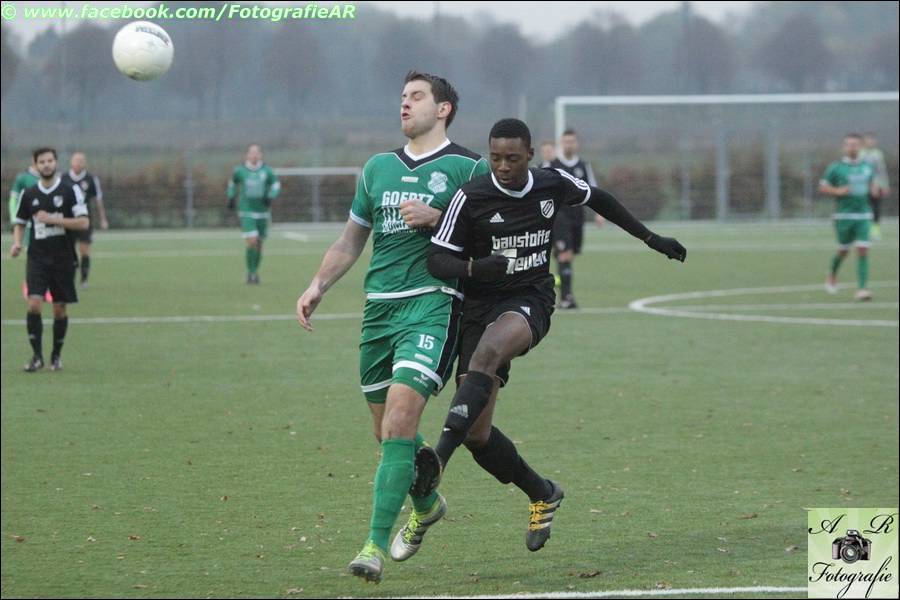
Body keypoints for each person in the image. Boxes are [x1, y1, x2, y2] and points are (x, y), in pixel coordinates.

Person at [423, 118, 686, 552]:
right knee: (477, 435)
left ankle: (437, 460)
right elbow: (437, 259)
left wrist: (650, 238)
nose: (502, 166)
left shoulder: (550, 183)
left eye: (512, 158)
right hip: (479, 309)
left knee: (488, 353)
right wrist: (474, 268)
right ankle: (542, 493)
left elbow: (598, 198)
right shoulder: (470, 197)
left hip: (530, 300)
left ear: (529, 155)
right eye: (495, 158)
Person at [295, 71, 489, 583]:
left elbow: (492, 235)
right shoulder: (377, 168)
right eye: (402, 96)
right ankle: (426, 502)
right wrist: (317, 285)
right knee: (385, 432)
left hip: (432, 304)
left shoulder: (469, 167)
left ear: (443, 109)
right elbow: (350, 240)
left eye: (416, 97)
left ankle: (374, 546)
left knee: (400, 420)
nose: (404, 104)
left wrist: (439, 216)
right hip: (379, 311)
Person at [9, 147, 89, 372]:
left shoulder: (70, 190)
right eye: (42, 162)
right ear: (35, 165)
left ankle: (56, 356)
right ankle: (36, 357)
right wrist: (17, 243)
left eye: (50, 161)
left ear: (56, 162)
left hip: (63, 259)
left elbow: (84, 222)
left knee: (59, 309)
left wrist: (55, 220)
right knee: (34, 303)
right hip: (37, 258)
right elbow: (20, 222)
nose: (46, 165)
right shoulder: (29, 194)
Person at [818, 133, 877, 301]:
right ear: (844, 147)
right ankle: (832, 274)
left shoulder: (867, 166)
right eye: (849, 144)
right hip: (844, 215)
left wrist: (874, 189)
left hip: (863, 214)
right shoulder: (836, 167)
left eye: (855, 144)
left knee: (863, 249)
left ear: (860, 147)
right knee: (843, 250)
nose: (852, 147)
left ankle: (862, 289)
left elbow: (872, 184)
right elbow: (822, 187)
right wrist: (837, 191)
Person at [550, 129, 603, 309]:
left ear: (577, 144)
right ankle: (567, 298)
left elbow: (593, 190)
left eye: (572, 141)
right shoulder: (553, 165)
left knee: (569, 255)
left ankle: (565, 295)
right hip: (560, 216)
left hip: (577, 216)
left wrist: (599, 213)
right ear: (561, 144)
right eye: (566, 141)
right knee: (564, 254)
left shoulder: (583, 166)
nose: (569, 145)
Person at [227, 144, 281, 284]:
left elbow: (276, 184)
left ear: (260, 155)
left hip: (262, 211)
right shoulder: (240, 171)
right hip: (246, 210)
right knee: (252, 240)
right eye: (252, 153)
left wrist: (271, 196)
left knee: (259, 243)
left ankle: (254, 272)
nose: (254, 155)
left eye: (257, 153)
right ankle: (250, 272)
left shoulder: (267, 171)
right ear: (247, 155)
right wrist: (231, 197)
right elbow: (232, 183)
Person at [61, 152, 107, 287]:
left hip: (84, 221)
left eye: (81, 161)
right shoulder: (63, 178)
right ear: (71, 162)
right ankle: (69, 278)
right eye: (76, 160)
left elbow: (98, 200)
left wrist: (103, 219)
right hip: (68, 220)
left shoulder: (91, 179)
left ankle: (84, 279)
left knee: (84, 250)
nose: (79, 163)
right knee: (68, 251)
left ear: (85, 163)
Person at [860, 133, 890, 241]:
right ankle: (863, 230)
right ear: (864, 141)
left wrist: (885, 185)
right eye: (868, 139)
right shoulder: (860, 153)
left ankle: (875, 231)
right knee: (862, 208)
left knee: (876, 208)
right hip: (862, 186)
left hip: (877, 186)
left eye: (872, 140)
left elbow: (881, 171)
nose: (870, 142)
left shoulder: (878, 154)